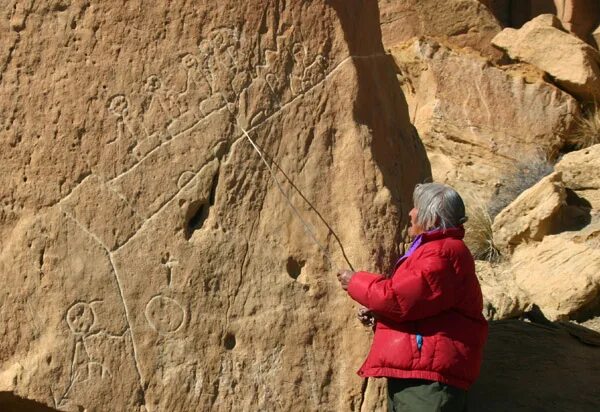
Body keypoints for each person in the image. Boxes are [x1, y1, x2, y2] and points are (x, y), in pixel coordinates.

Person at [337, 183, 488, 412]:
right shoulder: (438, 249)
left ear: (432, 217)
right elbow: (420, 305)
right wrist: (380, 314)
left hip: (428, 383)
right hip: (420, 376)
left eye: (416, 207)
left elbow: (398, 300)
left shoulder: (442, 252)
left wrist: (355, 282)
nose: (410, 213)